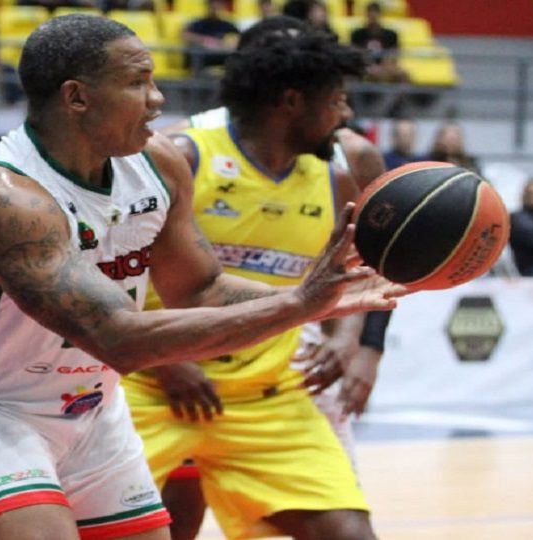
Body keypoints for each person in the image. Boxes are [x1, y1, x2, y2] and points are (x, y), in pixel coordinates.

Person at [0, 14, 404, 540]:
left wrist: (327, 299)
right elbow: (118, 339)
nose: (158, 99)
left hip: (90, 406)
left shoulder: (157, 164)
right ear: (77, 97)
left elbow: (200, 289)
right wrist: (298, 307)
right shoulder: (0, 197)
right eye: (137, 81)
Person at [124, 19, 385, 540]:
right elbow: (108, 269)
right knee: (170, 522)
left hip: (267, 395)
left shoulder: (335, 175)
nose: (346, 114)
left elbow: (352, 274)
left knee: (349, 533)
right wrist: (170, 360)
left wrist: (347, 338)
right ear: (292, 101)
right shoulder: (184, 154)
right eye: (336, 100)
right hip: (153, 387)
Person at [350, 1, 409, 84]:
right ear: (366, 15)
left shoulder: (391, 35)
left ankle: (396, 97)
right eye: (370, 13)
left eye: (376, 13)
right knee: (350, 75)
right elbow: (355, 53)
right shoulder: (357, 34)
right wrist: (369, 66)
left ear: (380, 15)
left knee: (402, 75)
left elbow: (393, 54)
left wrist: (383, 67)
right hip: (364, 66)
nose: (373, 16)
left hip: (385, 67)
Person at [182, 0, 240, 73]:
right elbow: (185, 35)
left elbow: (239, 37)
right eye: (212, 5)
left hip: (220, 55)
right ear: (207, 6)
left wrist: (226, 43)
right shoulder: (199, 23)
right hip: (204, 56)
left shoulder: (226, 24)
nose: (215, 8)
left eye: (218, 5)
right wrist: (205, 40)